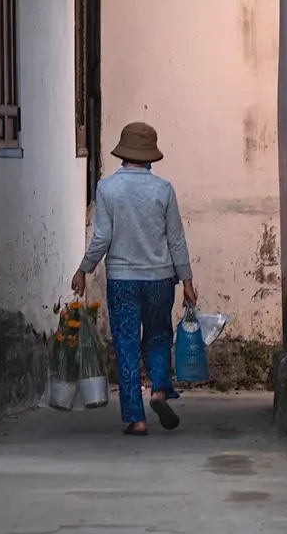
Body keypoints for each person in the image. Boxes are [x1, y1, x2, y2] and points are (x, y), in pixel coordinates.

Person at [71, 122, 197, 435]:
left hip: (123, 280)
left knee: (126, 344)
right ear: (149, 156)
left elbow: (102, 237)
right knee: (157, 336)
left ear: (123, 154)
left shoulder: (107, 189)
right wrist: (188, 281)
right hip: (160, 279)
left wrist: (84, 269)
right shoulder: (163, 190)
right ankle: (158, 390)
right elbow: (176, 240)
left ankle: (136, 419)